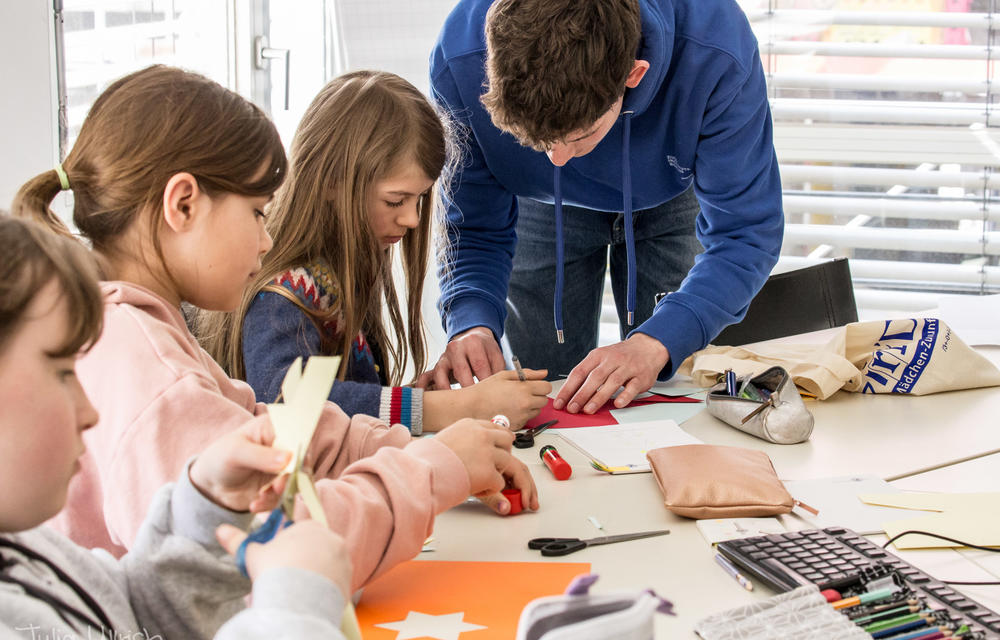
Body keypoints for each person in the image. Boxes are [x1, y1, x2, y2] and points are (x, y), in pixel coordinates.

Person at [12, 65, 537, 593]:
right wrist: (433, 470)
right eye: (258, 213)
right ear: (183, 204)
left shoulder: (140, 332)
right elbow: (277, 549)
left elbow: (276, 430)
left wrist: (416, 450)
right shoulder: (154, 371)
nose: (266, 241)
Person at [0, 214, 356, 640]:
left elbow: (130, 628)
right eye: (62, 372)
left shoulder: (26, 549)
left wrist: (204, 512)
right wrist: (294, 614)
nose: (89, 413)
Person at [427, 0, 784, 415]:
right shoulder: (459, 56)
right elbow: (473, 227)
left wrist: (658, 341)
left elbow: (744, 234)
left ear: (634, 75)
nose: (558, 159)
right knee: (547, 398)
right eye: (536, 142)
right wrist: (470, 323)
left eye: (579, 136)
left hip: (669, 192)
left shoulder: (717, 48)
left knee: (673, 389)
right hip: (540, 204)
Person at [201, 70, 550, 434]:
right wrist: (445, 408)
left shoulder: (340, 267)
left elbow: (343, 405)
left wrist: (419, 398)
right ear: (333, 182)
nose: (413, 219)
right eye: (396, 200)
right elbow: (286, 406)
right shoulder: (283, 294)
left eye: (420, 198)